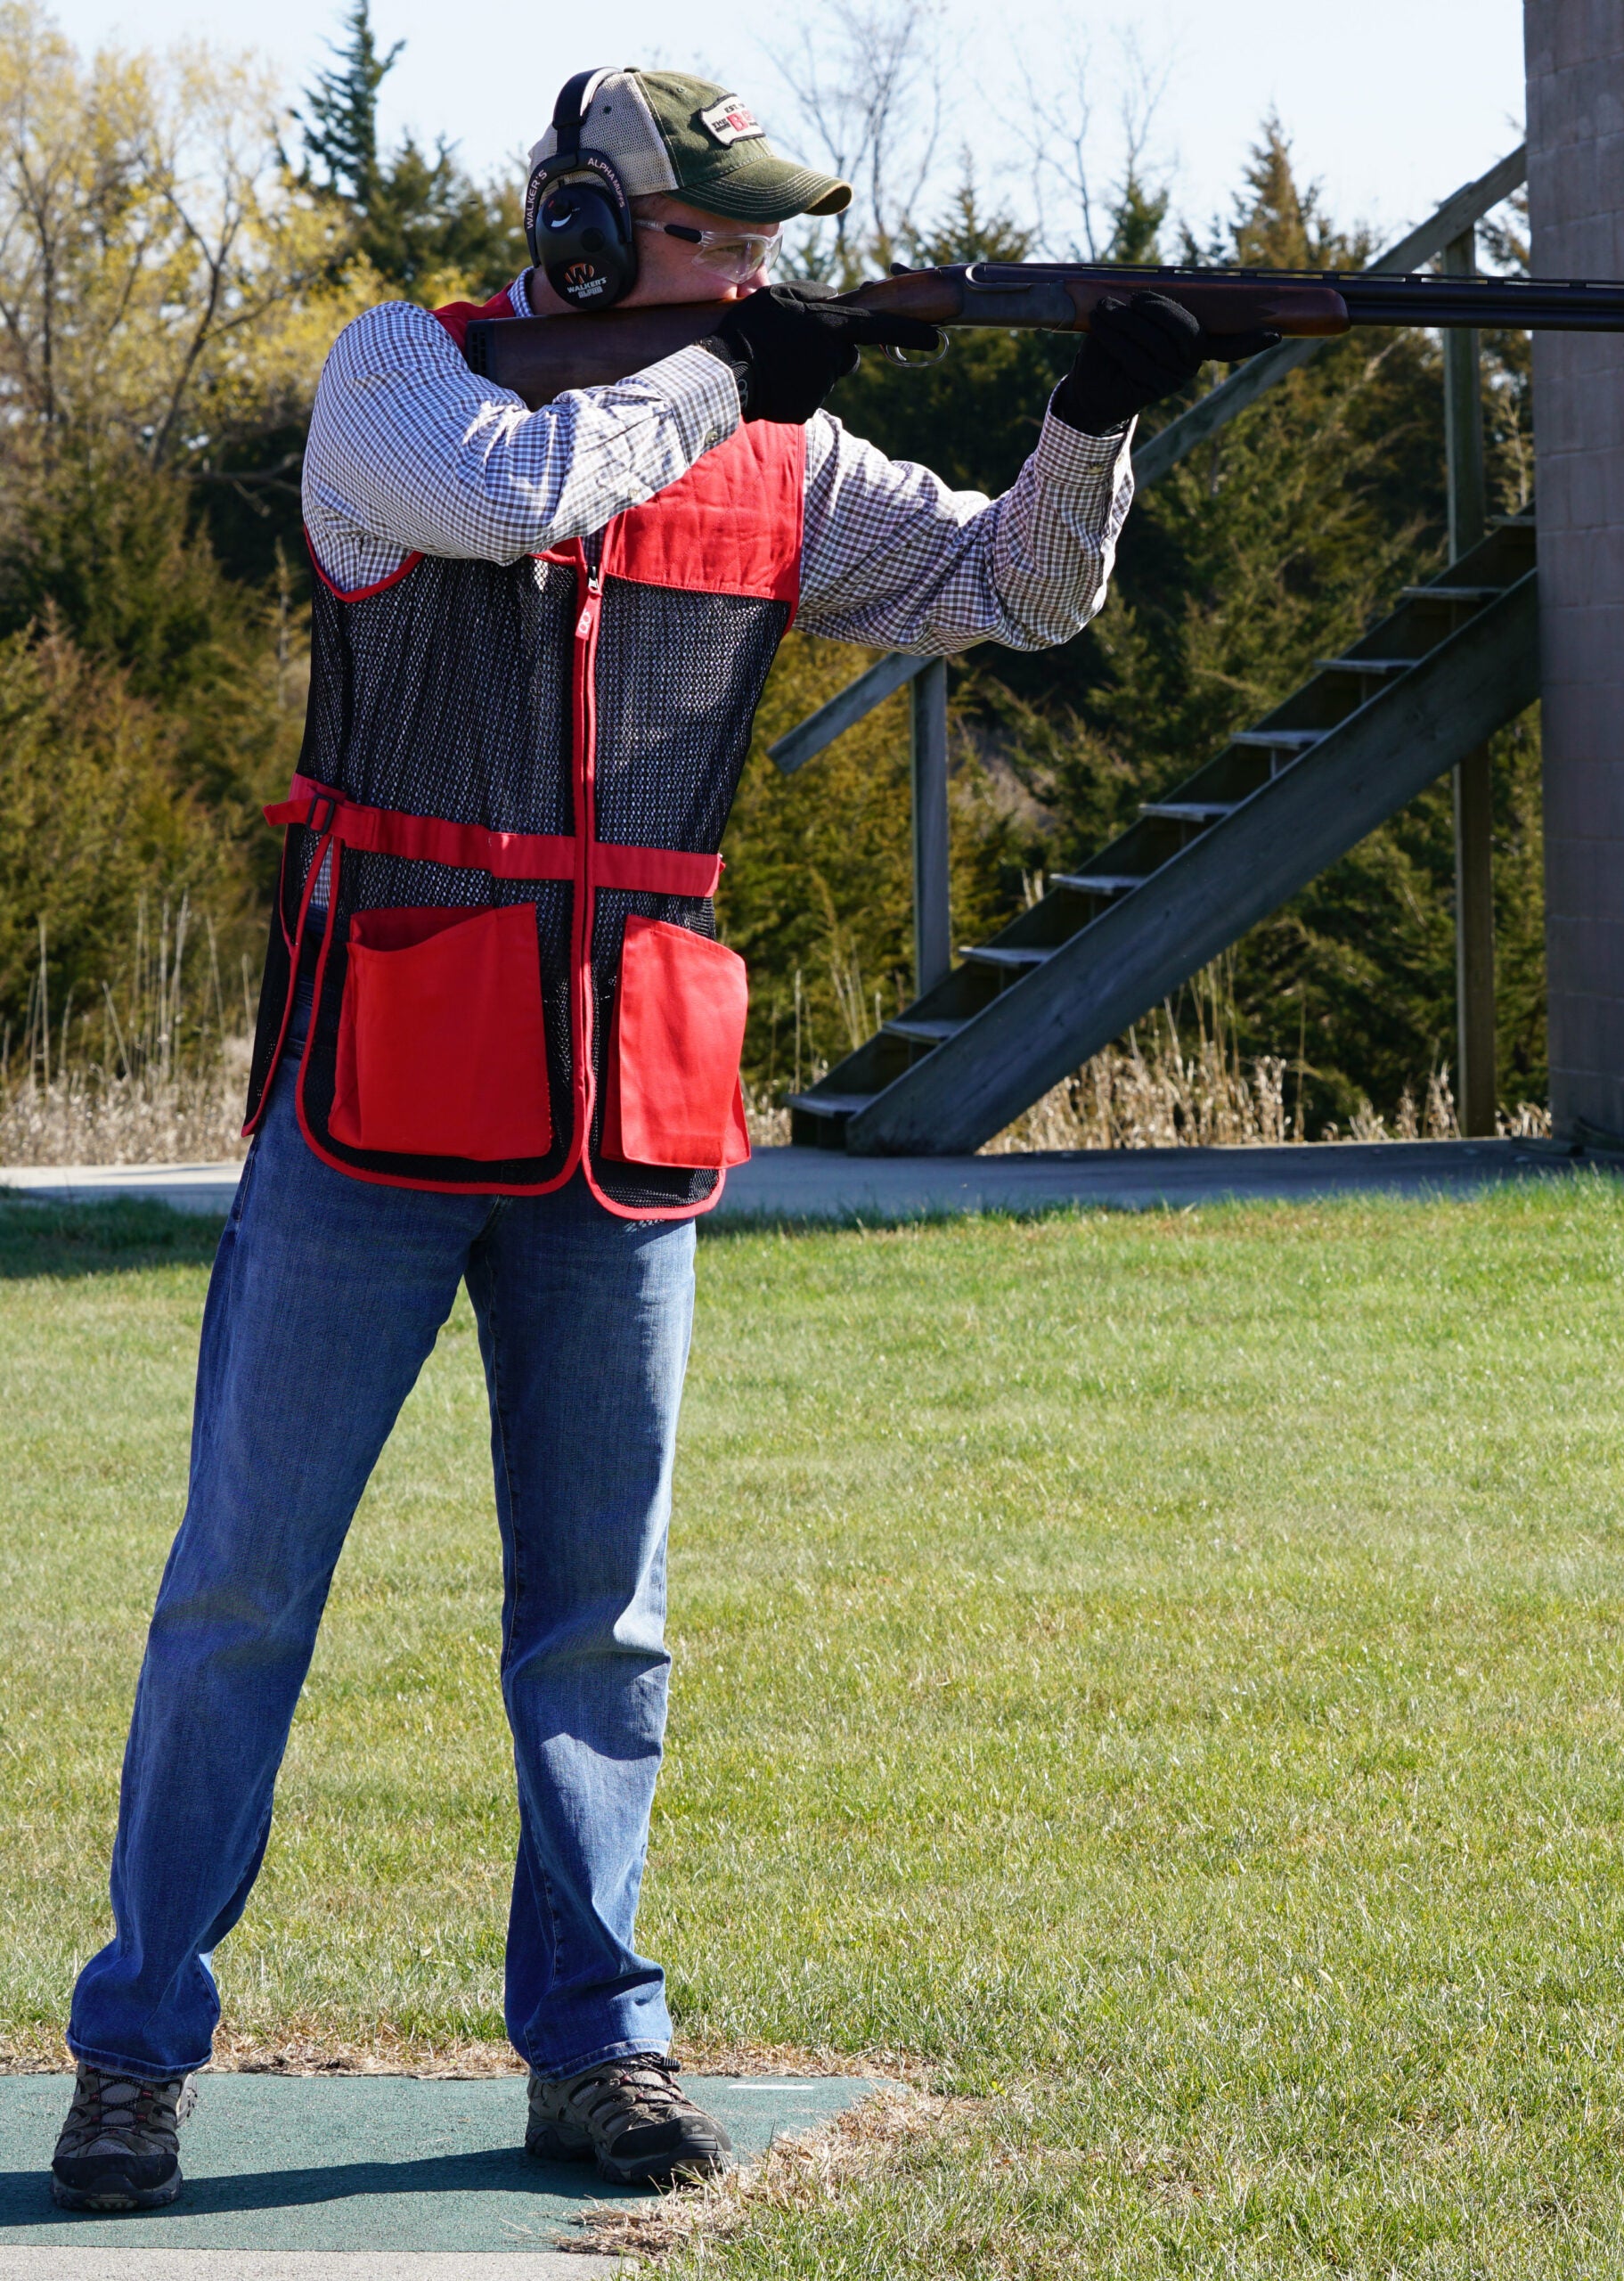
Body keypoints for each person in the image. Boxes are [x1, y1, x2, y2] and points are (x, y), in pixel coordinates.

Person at [48, 66, 1207, 2212]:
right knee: (239, 1591)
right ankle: (134, 2045)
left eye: (762, 242)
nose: (757, 270)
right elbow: (513, 497)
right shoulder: (407, 380)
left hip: (621, 1120)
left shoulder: (767, 433)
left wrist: (1097, 422)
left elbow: (1013, 595)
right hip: (373, 1093)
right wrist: (721, 372)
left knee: (606, 1622)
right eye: (714, 236)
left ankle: (598, 2041)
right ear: (583, 232)